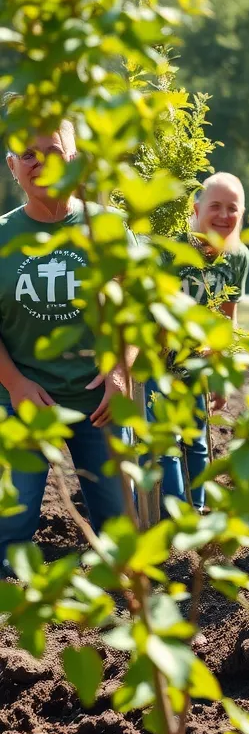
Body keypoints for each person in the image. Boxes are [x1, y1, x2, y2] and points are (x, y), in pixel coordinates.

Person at [0, 120, 134, 563]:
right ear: (12, 165)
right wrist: (16, 385)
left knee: (119, 534)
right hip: (23, 402)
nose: (41, 163)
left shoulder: (109, 229)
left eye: (53, 151)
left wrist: (119, 371)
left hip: (99, 403)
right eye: (29, 154)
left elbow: (135, 311)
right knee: (11, 527)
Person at [147, 171, 249, 509]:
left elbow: (226, 316)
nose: (224, 215)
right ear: (196, 207)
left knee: (196, 440)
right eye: (215, 206)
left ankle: (197, 511)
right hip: (157, 362)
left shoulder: (238, 257)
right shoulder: (171, 249)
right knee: (166, 441)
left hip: (198, 364)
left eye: (232, 208)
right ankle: (175, 516)